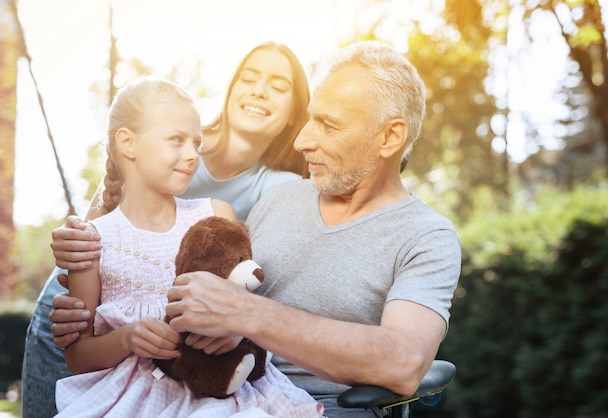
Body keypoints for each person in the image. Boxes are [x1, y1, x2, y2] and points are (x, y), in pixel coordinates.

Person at [49, 41, 462, 417]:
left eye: (328, 125)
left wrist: (247, 316)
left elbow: (403, 362)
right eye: (309, 120)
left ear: (390, 137)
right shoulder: (279, 199)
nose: (302, 141)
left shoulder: (426, 237)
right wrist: (88, 269)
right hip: (211, 395)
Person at [21, 41, 312, 418]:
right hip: (80, 311)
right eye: (250, 77)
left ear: (293, 112)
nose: (259, 90)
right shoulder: (173, 125)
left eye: (278, 84)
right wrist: (76, 235)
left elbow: (246, 284)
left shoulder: (276, 186)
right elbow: (107, 209)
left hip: (193, 374)